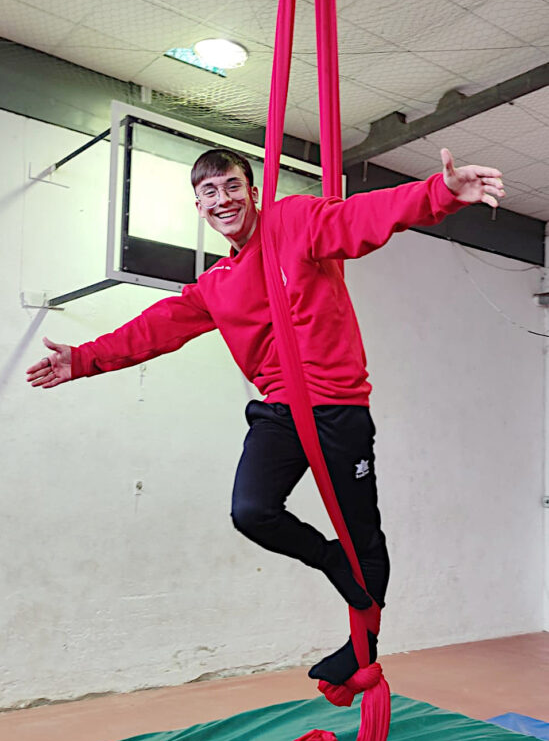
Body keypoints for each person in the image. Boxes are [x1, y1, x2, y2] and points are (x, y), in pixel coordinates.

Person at [27, 147, 504, 683]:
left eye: (232, 186)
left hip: (338, 407)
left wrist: (441, 194)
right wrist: (83, 360)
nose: (223, 199)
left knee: (362, 534)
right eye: (209, 192)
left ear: (253, 193)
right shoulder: (216, 283)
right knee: (252, 511)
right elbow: (155, 328)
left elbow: (359, 219)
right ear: (199, 207)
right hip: (280, 411)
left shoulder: (294, 222)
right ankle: (330, 560)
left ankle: (362, 647)